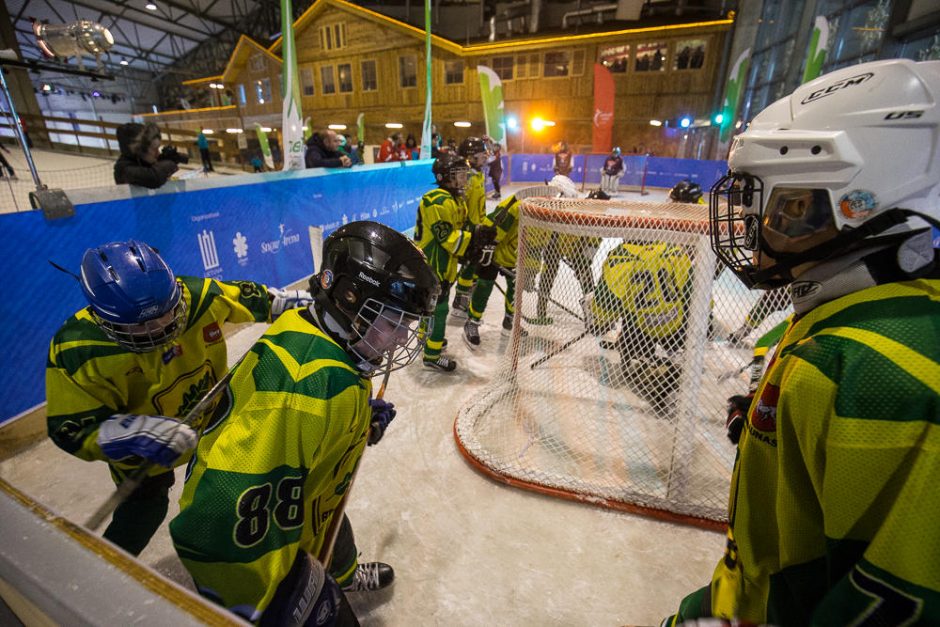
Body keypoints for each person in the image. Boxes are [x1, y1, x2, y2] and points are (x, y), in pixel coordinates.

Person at [663, 58, 940, 625]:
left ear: (857, 199)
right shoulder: (847, 315)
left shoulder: (881, 373)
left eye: (781, 204)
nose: (750, 224)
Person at [170, 221, 440, 625]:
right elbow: (215, 517)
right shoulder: (305, 390)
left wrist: (358, 425)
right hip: (260, 552)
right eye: (392, 322)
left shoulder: (317, 331)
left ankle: (343, 572)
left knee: (334, 520)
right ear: (348, 298)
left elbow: (305, 441)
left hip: (310, 496)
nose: (402, 339)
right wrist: (259, 599)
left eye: (407, 325)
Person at [45, 240, 311, 556]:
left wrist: (286, 303)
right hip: (145, 452)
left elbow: (251, 298)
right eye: (141, 324)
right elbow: (70, 427)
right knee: (145, 509)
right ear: (100, 316)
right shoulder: (77, 350)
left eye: (167, 313)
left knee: (235, 487)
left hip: (214, 421)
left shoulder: (197, 296)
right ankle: (104, 574)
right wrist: (127, 434)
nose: (160, 329)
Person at [582, 240, 694, 416]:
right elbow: (692, 291)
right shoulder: (674, 250)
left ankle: (643, 364)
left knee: (629, 366)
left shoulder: (621, 256)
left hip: (641, 326)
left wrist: (597, 321)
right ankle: (674, 355)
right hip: (675, 323)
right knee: (681, 322)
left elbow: (606, 305)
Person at [414, 153, 495, 372]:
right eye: (459, 174)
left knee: (433, 307)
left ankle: (427, 337)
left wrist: (478, 232)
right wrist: (473, 244)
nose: (464, 178)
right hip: (432, 263)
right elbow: (447, 237)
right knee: (438, 309)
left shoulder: (456, 200)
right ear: (444, 177)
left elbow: (465, 227)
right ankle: (431, 355)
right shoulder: (436, 200)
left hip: (444, 263)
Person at [461, 192, 523, 350]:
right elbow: (492, 224)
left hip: (515, 254)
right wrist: (488, 245)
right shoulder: (518, 205)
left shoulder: (549, 215)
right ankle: (472, 321)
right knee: (484, 285)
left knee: (516, 287)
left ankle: (509, 320)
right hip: (495, 250)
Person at [451, 137, 491, 318]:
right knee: (468, 265)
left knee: (474, 265)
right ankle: (460, 298)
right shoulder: (466, 176)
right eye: (482, 153)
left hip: (478, 227)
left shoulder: (478, 174)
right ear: (470, 156)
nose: (486, 156)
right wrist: (467, 227)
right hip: (468, 229)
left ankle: (466, 294)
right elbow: (461, 203)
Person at [113, 122, 187, 189]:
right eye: (154, 149)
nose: (158, 153)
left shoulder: (141, 161)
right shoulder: (125, 169)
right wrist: (169, 163)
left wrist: (168, 158)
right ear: (140, 150)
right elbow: (154, 178)